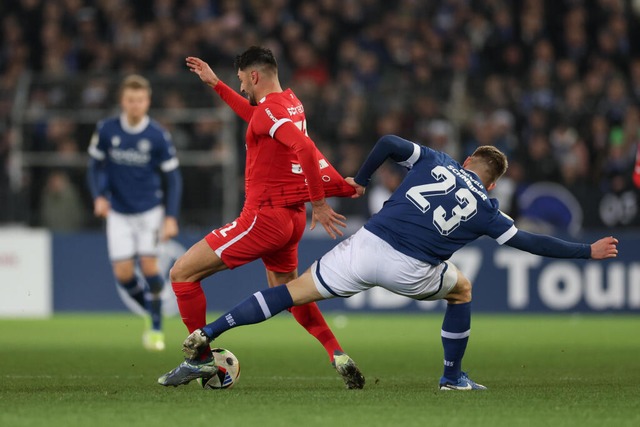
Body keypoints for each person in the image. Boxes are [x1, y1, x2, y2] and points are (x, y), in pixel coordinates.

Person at [161, 134, 619, 390]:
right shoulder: (487, 208)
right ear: (494, 184)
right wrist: (587, 251)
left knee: (291, 291)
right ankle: (451, 377)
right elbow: (530, 242)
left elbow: (387, 142)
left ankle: (210, 333)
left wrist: (359, 179)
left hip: (365, 247)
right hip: (412, 270)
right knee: (461, 289)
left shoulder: (436, 160)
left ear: (465, 161)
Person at [157, 47, 364, 389]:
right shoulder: (290, 103)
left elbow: (306, 151)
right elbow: (261, 122)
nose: (241, 89)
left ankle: (200, 359)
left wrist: (321, 203)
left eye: (240, 81)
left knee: (182, 273)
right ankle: (336, 352)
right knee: (288, 293)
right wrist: (216, 85)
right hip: (290, 219)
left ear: (254, 75)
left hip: (264, 217)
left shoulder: (270, 112)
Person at [87, 74, 182, 351]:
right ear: (122, 101)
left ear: (147, 101)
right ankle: (154, 312)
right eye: (130, 100)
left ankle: (155, 328)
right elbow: (94, 166)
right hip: (118, 212)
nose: (135, 105)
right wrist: (98, 197)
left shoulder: (157, 135)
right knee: (124, 275)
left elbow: (174, 178)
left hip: (150, 211)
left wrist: (171, 216)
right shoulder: (107, 130)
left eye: (140, 100)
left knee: (150, 267)